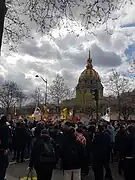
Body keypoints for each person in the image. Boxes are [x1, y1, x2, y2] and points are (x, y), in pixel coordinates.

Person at [0, 116, 9, 180]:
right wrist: (6, 148)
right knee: (4, 163)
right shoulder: (5, 127)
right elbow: (6, 139)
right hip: (2, 148)